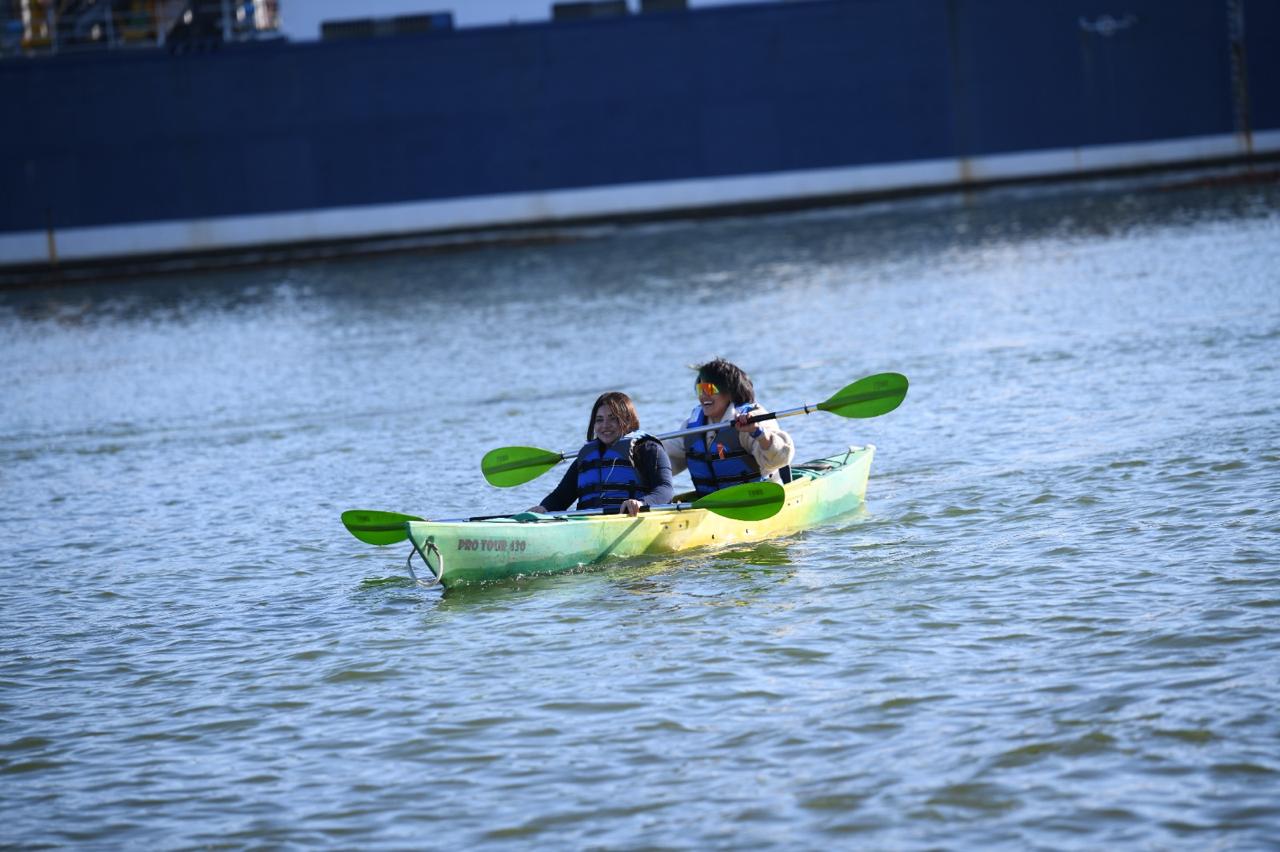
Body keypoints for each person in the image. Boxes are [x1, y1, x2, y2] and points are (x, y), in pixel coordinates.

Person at [529, 391, 674, 517]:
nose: (605, 425)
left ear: (628, 420)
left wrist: (641, 503)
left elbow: (665, 490)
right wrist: (543, 508)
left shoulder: (648, 449)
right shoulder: (586, 456)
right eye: (599, 420)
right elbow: (561, 496)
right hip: (587, 523)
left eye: (613, 418)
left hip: (630, 519)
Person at [663, 358, 795, 496]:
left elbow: (779, 460)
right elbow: (665, 462)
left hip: (760, 498)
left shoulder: (754, 417)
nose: (703, 396)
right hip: (713, 503)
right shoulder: (691, 427)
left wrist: (758, 433)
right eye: (700, 389)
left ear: (730, 392)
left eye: (709, 389)